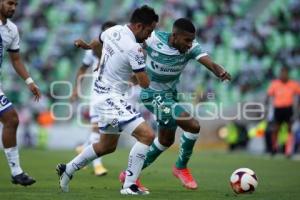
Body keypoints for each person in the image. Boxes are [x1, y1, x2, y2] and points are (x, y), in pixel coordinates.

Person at [56, 5, 159, 195]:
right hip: (110, 99)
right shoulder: (134, 48)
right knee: (147, 135)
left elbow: (97, 41)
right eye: (149, 31)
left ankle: (68, 169)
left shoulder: (113, 30)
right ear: (138, 26)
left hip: (102, 96)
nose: (148, 36)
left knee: (107, 146)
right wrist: (145, 67)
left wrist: (87, 46)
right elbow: (144, 83)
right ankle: (129, 185)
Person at [119, 18, 231, 190]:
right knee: (192, 125)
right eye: (186, 40)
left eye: (191, 40)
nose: (189, 44)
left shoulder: (191, 48)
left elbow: (209, 62)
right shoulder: (153, 39)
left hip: (170, 96)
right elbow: (129, 42)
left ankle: (129, 174)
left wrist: (220, 71)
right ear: (175, 36)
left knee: (165, 140)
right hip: (151, 94)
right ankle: (180, 167)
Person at [0, 0, 41, 186]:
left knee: (12, 119)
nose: (13, 7)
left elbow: (16, 59)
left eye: (16, 4)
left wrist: (29, 81)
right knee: (11, 118)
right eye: (9, 3)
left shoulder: (11, 30)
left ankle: (17, 172)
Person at [71, 21, 117, 176]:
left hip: (114, 94)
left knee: (104, 131)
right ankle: (98, 166)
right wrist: (76, 89)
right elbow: (82, 69)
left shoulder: (120, 49)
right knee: (97, 128)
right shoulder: (92, 51)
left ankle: (83, 148)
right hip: (97, 94)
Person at [266, 67, 300, 157]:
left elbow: (298, 95)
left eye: (285, 73)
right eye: (282, 73)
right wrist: (267, 108)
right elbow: (269, 95)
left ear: (288, 74)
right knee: (276, 129)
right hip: (278, 109)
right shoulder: (275, 84)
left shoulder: (294, 84)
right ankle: (274, 148)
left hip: (288, 109)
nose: (283, 75)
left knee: (289, 129)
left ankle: (288, 151)